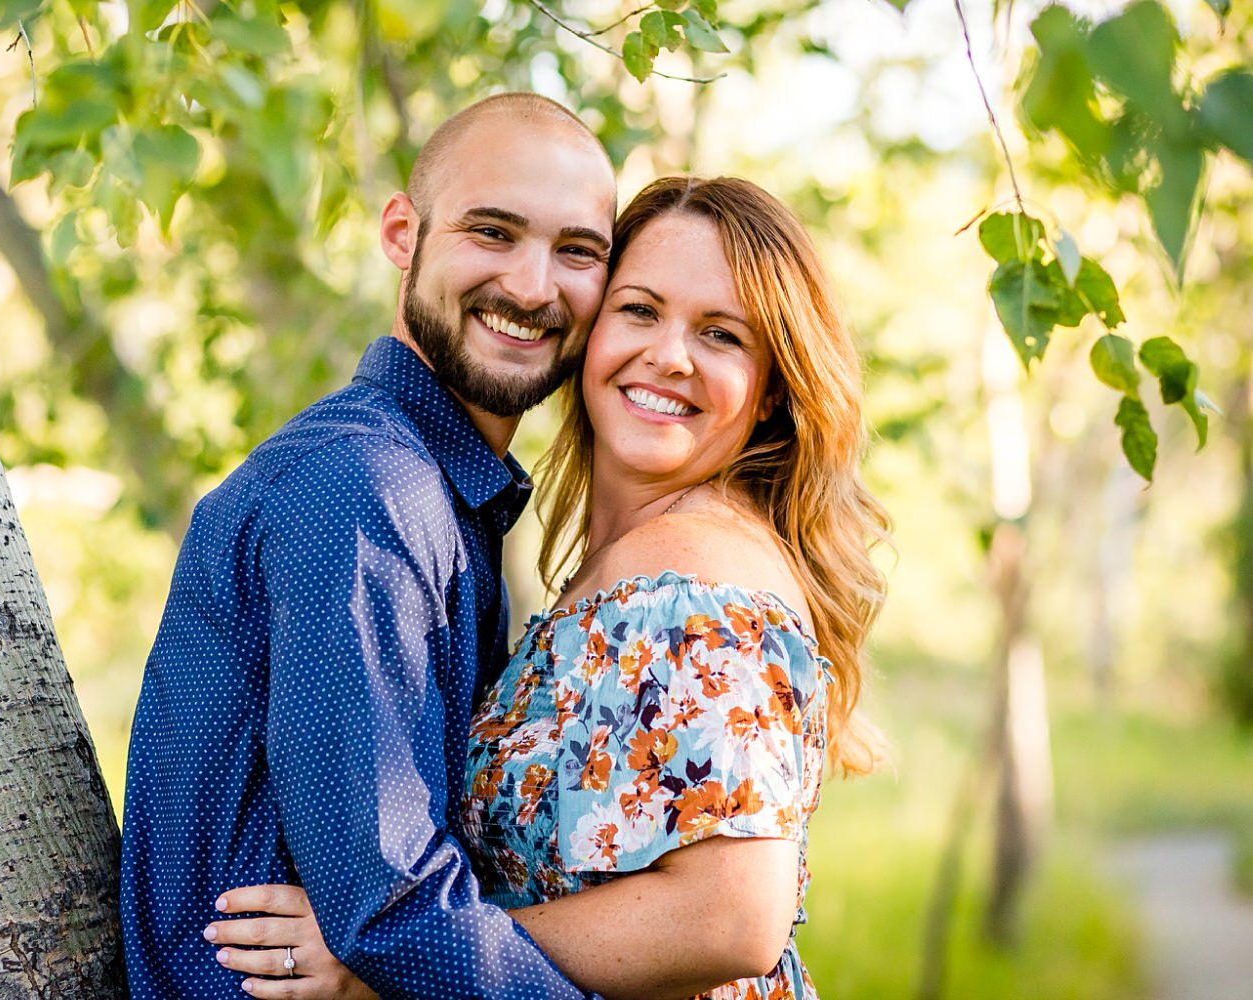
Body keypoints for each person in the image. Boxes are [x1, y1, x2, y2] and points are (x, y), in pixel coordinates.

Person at [209, 176, 890, 999]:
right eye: (640, 311)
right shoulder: (621, 568)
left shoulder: (696, 580)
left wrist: (391, 969)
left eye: (721, 335)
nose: (669, 355)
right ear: (588, 332)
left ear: (773, 386)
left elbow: (731, 917)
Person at [118, 92, 617, 1000]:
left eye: (576, 250)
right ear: (402, 233)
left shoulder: (443, 491)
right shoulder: (366, 491)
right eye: (493, 232)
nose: (535, 287)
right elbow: (389, 904)